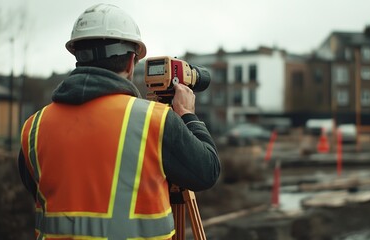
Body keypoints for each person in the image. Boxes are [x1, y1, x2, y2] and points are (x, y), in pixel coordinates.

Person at [18, 3, 220, 240]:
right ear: (130, 62)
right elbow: (207, 171)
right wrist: (187, 113)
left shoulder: (35, 127)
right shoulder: (154, 121)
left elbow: (40, 190)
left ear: (77, 56)